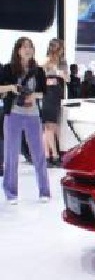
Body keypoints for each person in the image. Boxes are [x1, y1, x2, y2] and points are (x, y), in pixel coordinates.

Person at [0, 37, 51, 204]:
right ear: (18, 50)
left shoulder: (39, 70)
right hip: (13, 114)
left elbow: (43, 92)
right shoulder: (8, 69)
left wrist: (32, 95)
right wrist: (12, 87)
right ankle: (11, 193)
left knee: (39, 154)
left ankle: (44, 191)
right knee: (11, 155)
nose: (28, 49)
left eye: (30, 46)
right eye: (24, 47)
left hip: (33, 115)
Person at [42, 38, 68, 167]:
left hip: (57, 95)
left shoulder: (63, 63)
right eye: (59, 48)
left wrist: (58, 72)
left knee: (52, 127)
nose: (61, 51)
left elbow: (67, 78)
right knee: (49, 126)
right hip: (47, 95)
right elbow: (40, 79)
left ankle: (47, 156)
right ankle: (54, 155)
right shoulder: (45, 62)